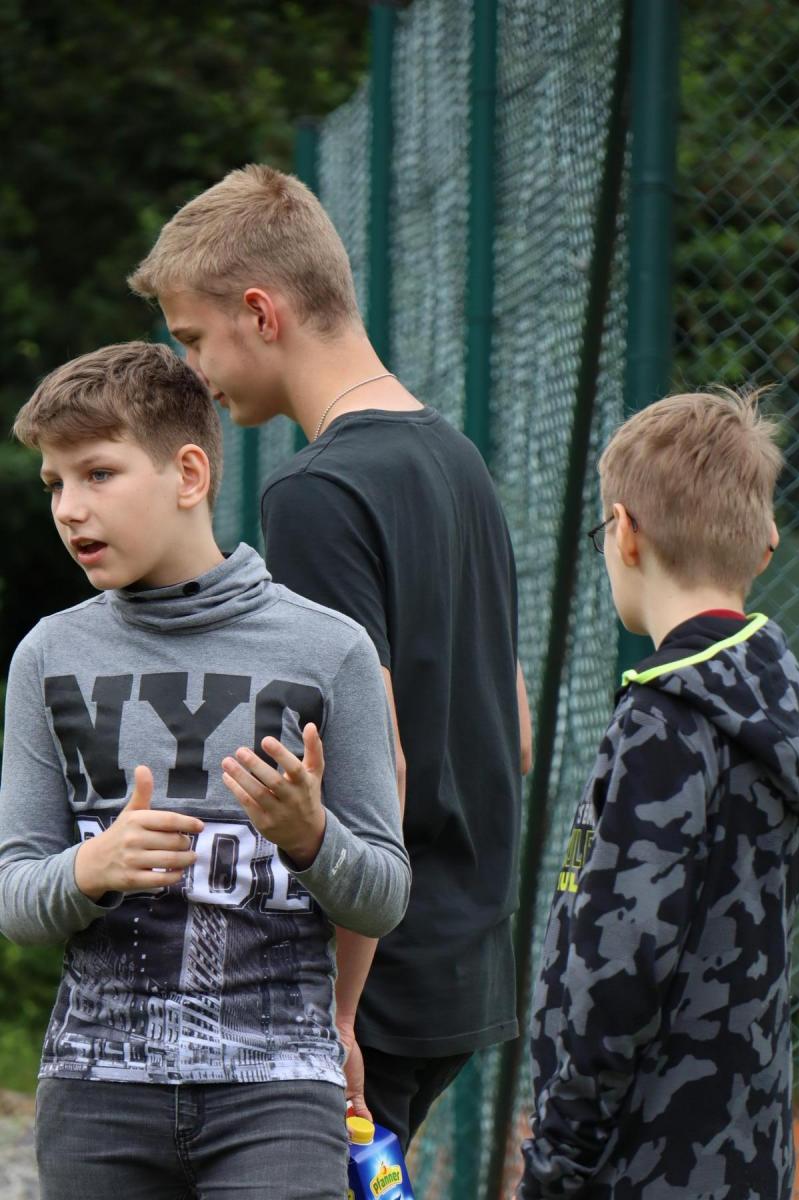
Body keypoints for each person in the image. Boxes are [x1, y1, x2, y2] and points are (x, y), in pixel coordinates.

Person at [128, 162, 533, 1149]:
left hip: (369, 983)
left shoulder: (315, 492)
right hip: (463, 964)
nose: (195, 372)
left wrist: (336, 1014)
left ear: (259, 312)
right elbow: (514, 733)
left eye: (194, 338)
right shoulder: (457, 460)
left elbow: (370, 764)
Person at [0, 341, 410, 1200]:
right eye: (54, 484)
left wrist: (310, 837)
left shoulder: (330, 649)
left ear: (188, 474)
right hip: (95, 1094)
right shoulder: (46, 655)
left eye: (98, 473)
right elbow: (16, 900)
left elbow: (384, 895)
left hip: (280, 1094)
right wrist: (90, 868)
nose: (70, 508)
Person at [518, 388, 799, 1199]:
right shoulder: (778, 702)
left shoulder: (662, 720)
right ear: (766, 543)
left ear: (625, 532)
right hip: (751, 1154)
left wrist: (558, 1160)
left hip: (637, 1164)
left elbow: (616, 965)